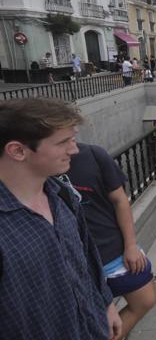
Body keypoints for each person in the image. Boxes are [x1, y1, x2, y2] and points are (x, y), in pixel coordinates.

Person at [0, 98, 122, 339]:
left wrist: (106, 304)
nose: (74, 150)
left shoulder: (63, 194)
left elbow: (86, 256)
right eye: (63, 142)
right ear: (17, 151)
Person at [67, 143, 156, 339]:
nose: (71, 147)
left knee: (145, 299)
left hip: (112, 248)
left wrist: (130, 245)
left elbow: (120, 199)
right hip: (75, 260)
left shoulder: (93, 154)